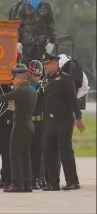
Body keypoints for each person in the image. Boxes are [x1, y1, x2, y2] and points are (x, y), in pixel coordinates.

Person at [40, 52, 85, 191]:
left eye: (47, 64)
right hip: (49, 120)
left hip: (63, 120)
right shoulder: (45, 80)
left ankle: (72, 182)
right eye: (44, 64)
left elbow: (73, 100)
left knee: (65, 150)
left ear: (55, 63)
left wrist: (78, 118)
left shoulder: (66, 79)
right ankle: (52, 183)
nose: (45, 67)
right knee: (49, 151)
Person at [0, 65, 37, 193]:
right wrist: (15, 109)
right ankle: (26, 184)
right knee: (25, 155)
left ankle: (17, 184)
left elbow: (2, 98)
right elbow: (23, 107)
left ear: (21, 78)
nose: (13, 80)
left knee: (15, 154)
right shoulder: (31, 90)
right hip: (28, 125)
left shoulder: (21, 90)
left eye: (14, 77)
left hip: (20, 126)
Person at [16, 0, 57, 66]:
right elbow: (18, 25)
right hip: (26, 45)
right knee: (25, 68)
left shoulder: (47, 7)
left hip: (42, 45)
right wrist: (17, 41)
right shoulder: (23, 6)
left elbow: (51, 25)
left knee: (42, 68)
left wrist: (52, 42)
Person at [27, 60, 46, 190]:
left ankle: (37, 177)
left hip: (39, 123)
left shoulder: (42, 88)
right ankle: (28, 177)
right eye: (34, 75)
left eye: (39, 76)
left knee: (37, 152)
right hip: (28, 122)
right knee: (26, 152)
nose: (36, 78)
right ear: (29, 73)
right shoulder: (25, 87)